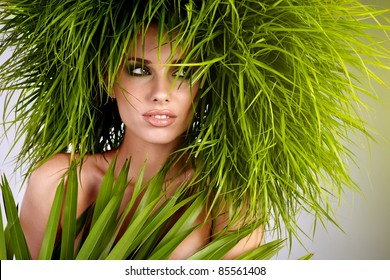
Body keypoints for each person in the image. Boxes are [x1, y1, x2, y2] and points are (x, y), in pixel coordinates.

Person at [1, 0, 389, 260]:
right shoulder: (62, 180)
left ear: (205, 86)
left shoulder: (227, 195)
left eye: (184, 73)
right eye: (139, 70)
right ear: (108, 78)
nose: (161, 95)